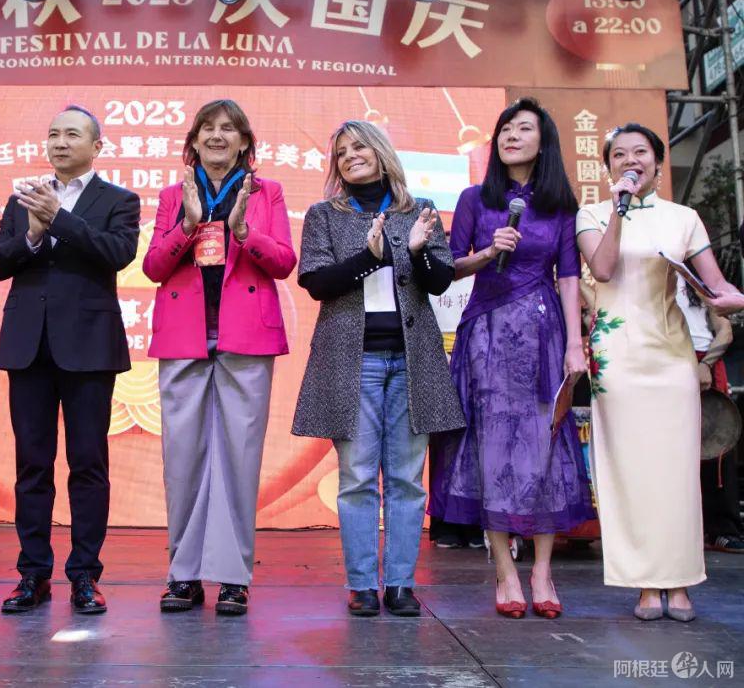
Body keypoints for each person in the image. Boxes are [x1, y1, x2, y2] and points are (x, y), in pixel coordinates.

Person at [428, 98, 596, 619]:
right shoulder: (475, 198)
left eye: (524, 128)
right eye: (505, 128)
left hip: (544, 331)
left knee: (543, 445)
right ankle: (504, 569)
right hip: (487, 334)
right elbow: (447, 268)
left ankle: (543, 571)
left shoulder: (559, 205)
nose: (512, 135)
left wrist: (574, 343)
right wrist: (484, 252)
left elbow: (569, 276)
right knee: (491, 447)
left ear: (543, 142)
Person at [293, 120, 465, 618]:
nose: (350, 156)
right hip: (353, 362)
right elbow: (318, 283)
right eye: (341, 152)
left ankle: (401, 584)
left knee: (409, 480)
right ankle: (363, 584)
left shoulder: (420, 211)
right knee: (358, 477)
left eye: (359, 146)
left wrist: (413, 250)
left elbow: (438, 282)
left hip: (413, 362)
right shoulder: (325, 215)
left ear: (382, 152)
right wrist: (369, 258)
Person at [576, 123, 742, 622]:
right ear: (607, 167)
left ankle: (681, 581)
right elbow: (602, 271)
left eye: (640, 152)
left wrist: (732, 301)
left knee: (674, 471)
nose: (631, 160)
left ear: (657, 161)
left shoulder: (684, 218)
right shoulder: (593, 214)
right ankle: (646, 585)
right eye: (619, 154)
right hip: (615, 356)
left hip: (671, 354)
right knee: (629, 470)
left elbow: (716, 288)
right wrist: (620, 212)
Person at [142, 99, 296, 616]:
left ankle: (233, 577)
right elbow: (154, 267)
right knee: (181, 461)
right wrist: (188, 225)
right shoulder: (172, 195)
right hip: (184, 337)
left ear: (245, 143)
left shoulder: (266, 192)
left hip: (245, 337)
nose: (216, 136)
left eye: (228, 128)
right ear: (194, 140)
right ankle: (182, 575)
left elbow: (283, 263)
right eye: (208, 128)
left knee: (238, 458)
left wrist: (244, 232)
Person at [0, 105, 140, 615]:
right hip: (29, 347)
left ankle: (84, 575)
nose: (59, 142)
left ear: (98, 146)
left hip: (89, 349)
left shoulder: (120, 200)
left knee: (87, 465)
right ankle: (32, 574)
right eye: (52, 134)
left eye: (72, 134)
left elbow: (116, 252)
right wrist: (31, 233)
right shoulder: (21, 199)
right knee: (32, 465)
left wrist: (58, 219)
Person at [675, 275, 744, 554]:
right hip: (670, 359)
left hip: (705, 360)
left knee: (717, 448)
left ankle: (722, 528)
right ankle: (679, 528)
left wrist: (705, 364)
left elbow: (725, 331)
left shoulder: (697, 282)